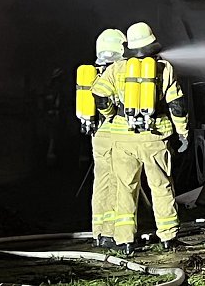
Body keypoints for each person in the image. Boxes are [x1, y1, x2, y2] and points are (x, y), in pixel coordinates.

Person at [91, 22, 189, 255]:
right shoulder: (164, 68)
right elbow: (177, 105)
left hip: (123, 139)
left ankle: (125, 240)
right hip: (155, 137)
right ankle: (168, 237)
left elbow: (100, 95)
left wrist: (112, 115)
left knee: (125, 188)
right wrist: (183, 132)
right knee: (161, 186)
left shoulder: (116, 69)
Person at [81, 28, 127, 248]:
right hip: (113, 131)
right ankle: (112, 234)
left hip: (97, 134)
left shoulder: (92, 72)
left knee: (101, 182)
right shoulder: (117, 72)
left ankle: (98, 232)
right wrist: (112, 115)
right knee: (118, 182)